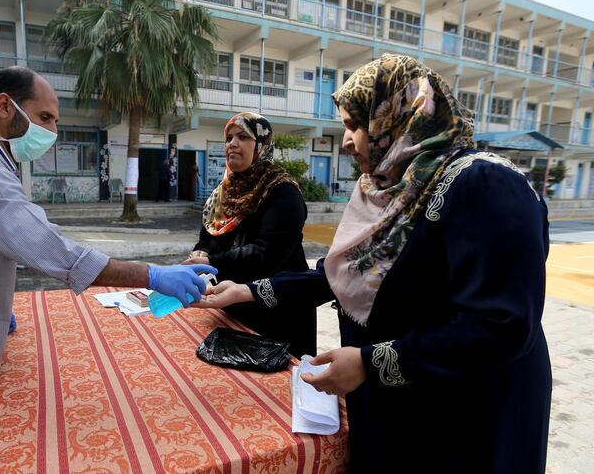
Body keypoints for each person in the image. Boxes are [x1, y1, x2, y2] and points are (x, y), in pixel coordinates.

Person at [194, 54, 552, 473]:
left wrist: (370, 363)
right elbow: (337, 275)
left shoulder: (485, 184)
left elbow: (499, 326)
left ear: (395, 115)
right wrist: (248, 291)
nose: (346, 140)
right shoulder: (385, 189)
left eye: (353, 125)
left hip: (466, 412)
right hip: (396, 398)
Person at [0, 66, 216, 474]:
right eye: (45, 118)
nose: (52, 131)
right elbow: (47, 247)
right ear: (5, 106)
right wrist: (152, 275)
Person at [183, 112, 312, 356]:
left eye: (243, 137)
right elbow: (208, 237)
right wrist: (201, 252)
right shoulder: (223, 192)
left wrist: (210, 262)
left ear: (262, 145)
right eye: (229, 138)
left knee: (273, 388)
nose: (232, 143)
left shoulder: (282, 192)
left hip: (276, 310)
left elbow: (266, 254)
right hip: (230, 305)